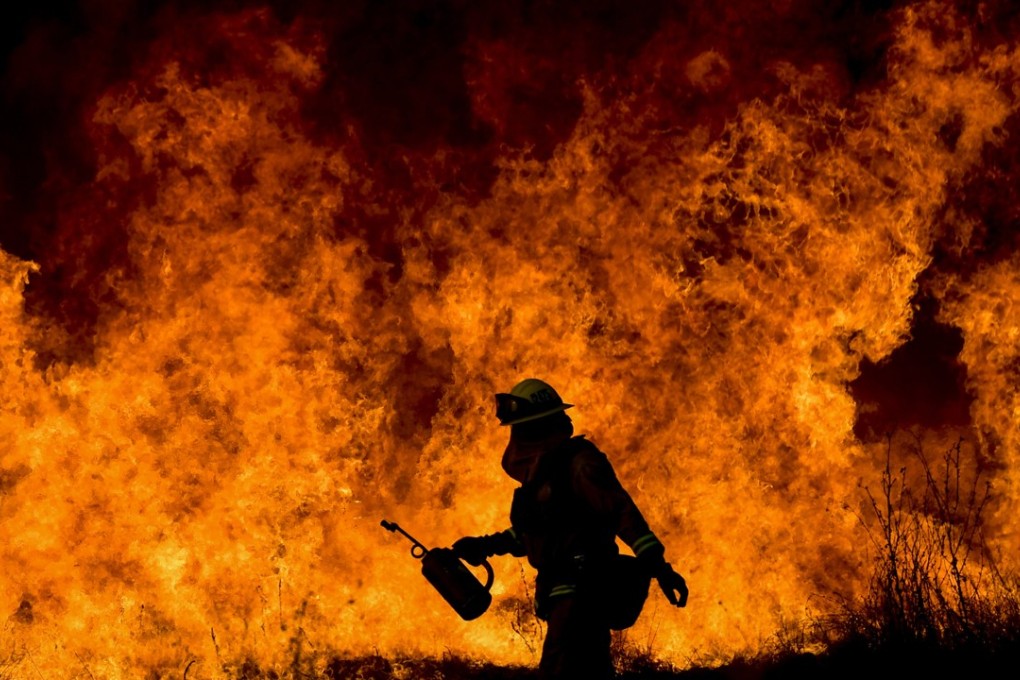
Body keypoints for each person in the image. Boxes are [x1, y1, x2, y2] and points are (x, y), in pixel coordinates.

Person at [453, 378, 688, 679]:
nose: (517, 439)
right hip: (563, 597)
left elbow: (624, 514)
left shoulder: (580, 465)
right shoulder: (545, 475)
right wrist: (484, 546)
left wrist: (660, 568)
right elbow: (535, 532)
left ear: (541, 427)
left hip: (582, 595)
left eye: (523, 429)